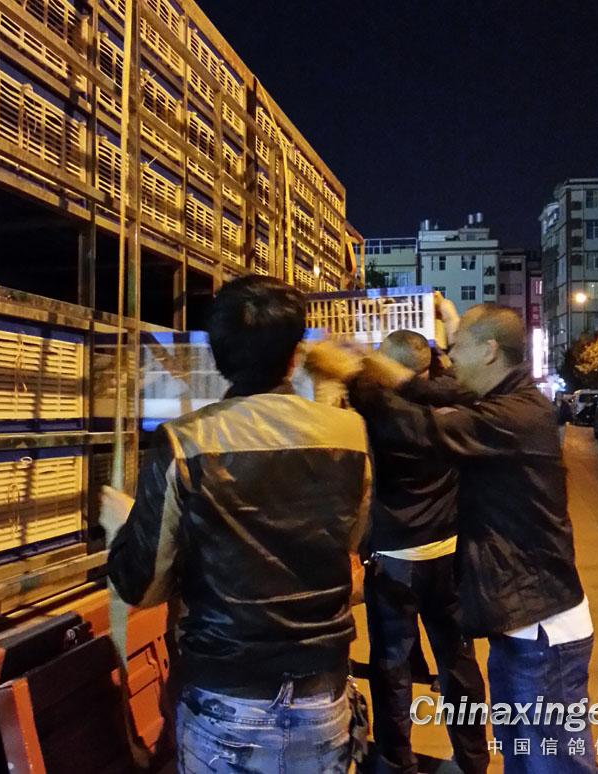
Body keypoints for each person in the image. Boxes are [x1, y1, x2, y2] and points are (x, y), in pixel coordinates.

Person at [307, 304, 598, 774]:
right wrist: (369, 362)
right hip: (521, 625)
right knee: (522, 756)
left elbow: (422, 427)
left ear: (488, 351)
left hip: (543, 634)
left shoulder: (513, 415)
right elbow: (428, 388)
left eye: (457, 346)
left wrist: (356, 378)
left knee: (554, 762)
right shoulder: (506, 397)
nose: (450, 356)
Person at [101, 275, 373, 774]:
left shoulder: (184, 442)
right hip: (323, 691)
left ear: (217, 354)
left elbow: (141, 586)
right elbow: (351, 541)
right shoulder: (350, 434)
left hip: (226, 697)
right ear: (294, 354)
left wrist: (122, 526)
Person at [354, 330, 489, 774]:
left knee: (392, 665)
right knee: (458, 659)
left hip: (395, 559)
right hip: (448, 553)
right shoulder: (453, 406)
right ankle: (473, 758)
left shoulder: (379, 411)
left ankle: (398, 761)